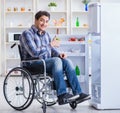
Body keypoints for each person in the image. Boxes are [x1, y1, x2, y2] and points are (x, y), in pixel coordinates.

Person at [19, 10, 90, 105]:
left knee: (66, 61)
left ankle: (78, 93)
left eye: (47, 21)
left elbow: (51, 50)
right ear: (35, 20)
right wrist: (50, 44)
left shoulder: (46, 34)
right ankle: (61, 95)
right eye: (41, 20)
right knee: (56, 61)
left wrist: (59, 54)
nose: (44, 23)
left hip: (45, 63)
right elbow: (34, 52)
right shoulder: (27, 34)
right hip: (31, 64)